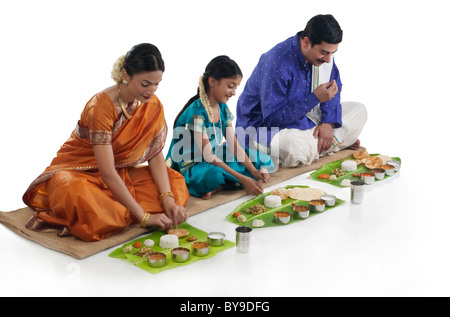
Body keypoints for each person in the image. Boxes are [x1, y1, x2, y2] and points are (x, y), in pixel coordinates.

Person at [22, 43, 190, 242]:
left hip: (118, 172)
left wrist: (167, 199)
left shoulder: (151, 104)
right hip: (77, 173)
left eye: (157, 84)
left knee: (176, 182)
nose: (151, 90)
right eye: (145, 84)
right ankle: (123, 211)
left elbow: (154, 154)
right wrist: (144, 217)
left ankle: (122, 208)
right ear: (125, 76)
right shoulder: (101, 106)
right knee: (92, 204)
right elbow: (107, 172)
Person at [235, 14, 367, 168]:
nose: (329, 59)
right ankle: (332, 144)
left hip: (306, 120)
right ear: (306, 42)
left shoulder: (323, 55)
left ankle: (319, 145)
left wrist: (328, 124)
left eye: (333, 53)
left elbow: (333, 90)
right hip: (262, 129)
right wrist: (315, 98)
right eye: (325, 52)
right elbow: (272, 120)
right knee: (293, 146)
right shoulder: (277, 62)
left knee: (359, 110)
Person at [166, 56, 273, 200]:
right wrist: (243, 179)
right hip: (195, 165)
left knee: (260, 158)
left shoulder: (222, 108)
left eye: (236, 87)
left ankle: (223, 186)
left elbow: (234, 144)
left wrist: (253, 171)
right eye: (230, 86)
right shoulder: (196, 113)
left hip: (215, 156)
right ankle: (220, 185)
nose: (234, 92)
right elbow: (208, 156)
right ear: (212, 82)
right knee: (214, 176)